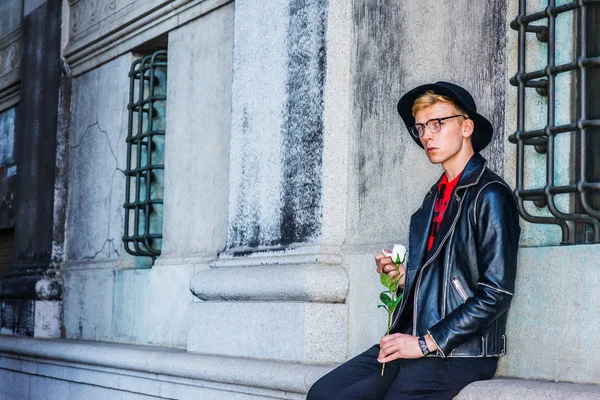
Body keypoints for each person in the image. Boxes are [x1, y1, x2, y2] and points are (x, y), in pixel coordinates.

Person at [307, 81, 521, 400]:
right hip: (413, 338)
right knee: (324, 393)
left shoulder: (490, 195)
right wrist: (405, 276)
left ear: (466, 126)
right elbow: (446, 279)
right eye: (420, 127)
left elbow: (495, 293)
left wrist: (424, 343)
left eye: (437, 123)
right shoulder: (432, 200)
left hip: (459, 352)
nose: (427, 135)